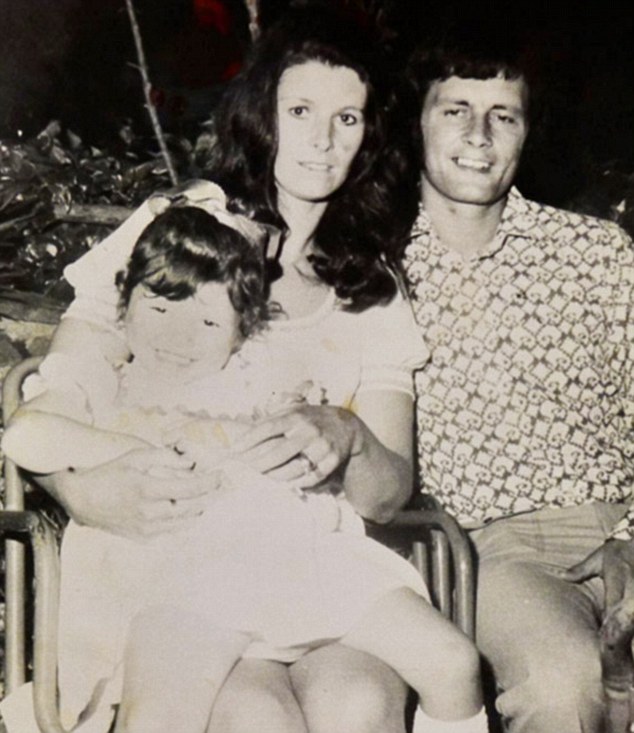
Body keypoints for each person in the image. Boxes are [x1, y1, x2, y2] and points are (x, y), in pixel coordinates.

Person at [0, 7, 483, 733]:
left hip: (312, 563)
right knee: (257, 715)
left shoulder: (370, 286)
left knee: (358, 702)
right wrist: (86, 491)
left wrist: (347, 435)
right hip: (170, 552)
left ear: (371, 138)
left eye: (348, 120)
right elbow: (61, 399)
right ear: (263, 113)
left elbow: (387, 494)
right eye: (300, 110)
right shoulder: (186, 230)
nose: (322, 141)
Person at [398, 27, 634, 733]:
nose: (480, 133)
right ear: (417, 123)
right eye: (455, 110)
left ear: (527, 133)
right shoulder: (375, 266)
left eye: (504, 115)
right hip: (492, 550)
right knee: (564, 683)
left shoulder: (594, 253)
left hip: (623, 516)